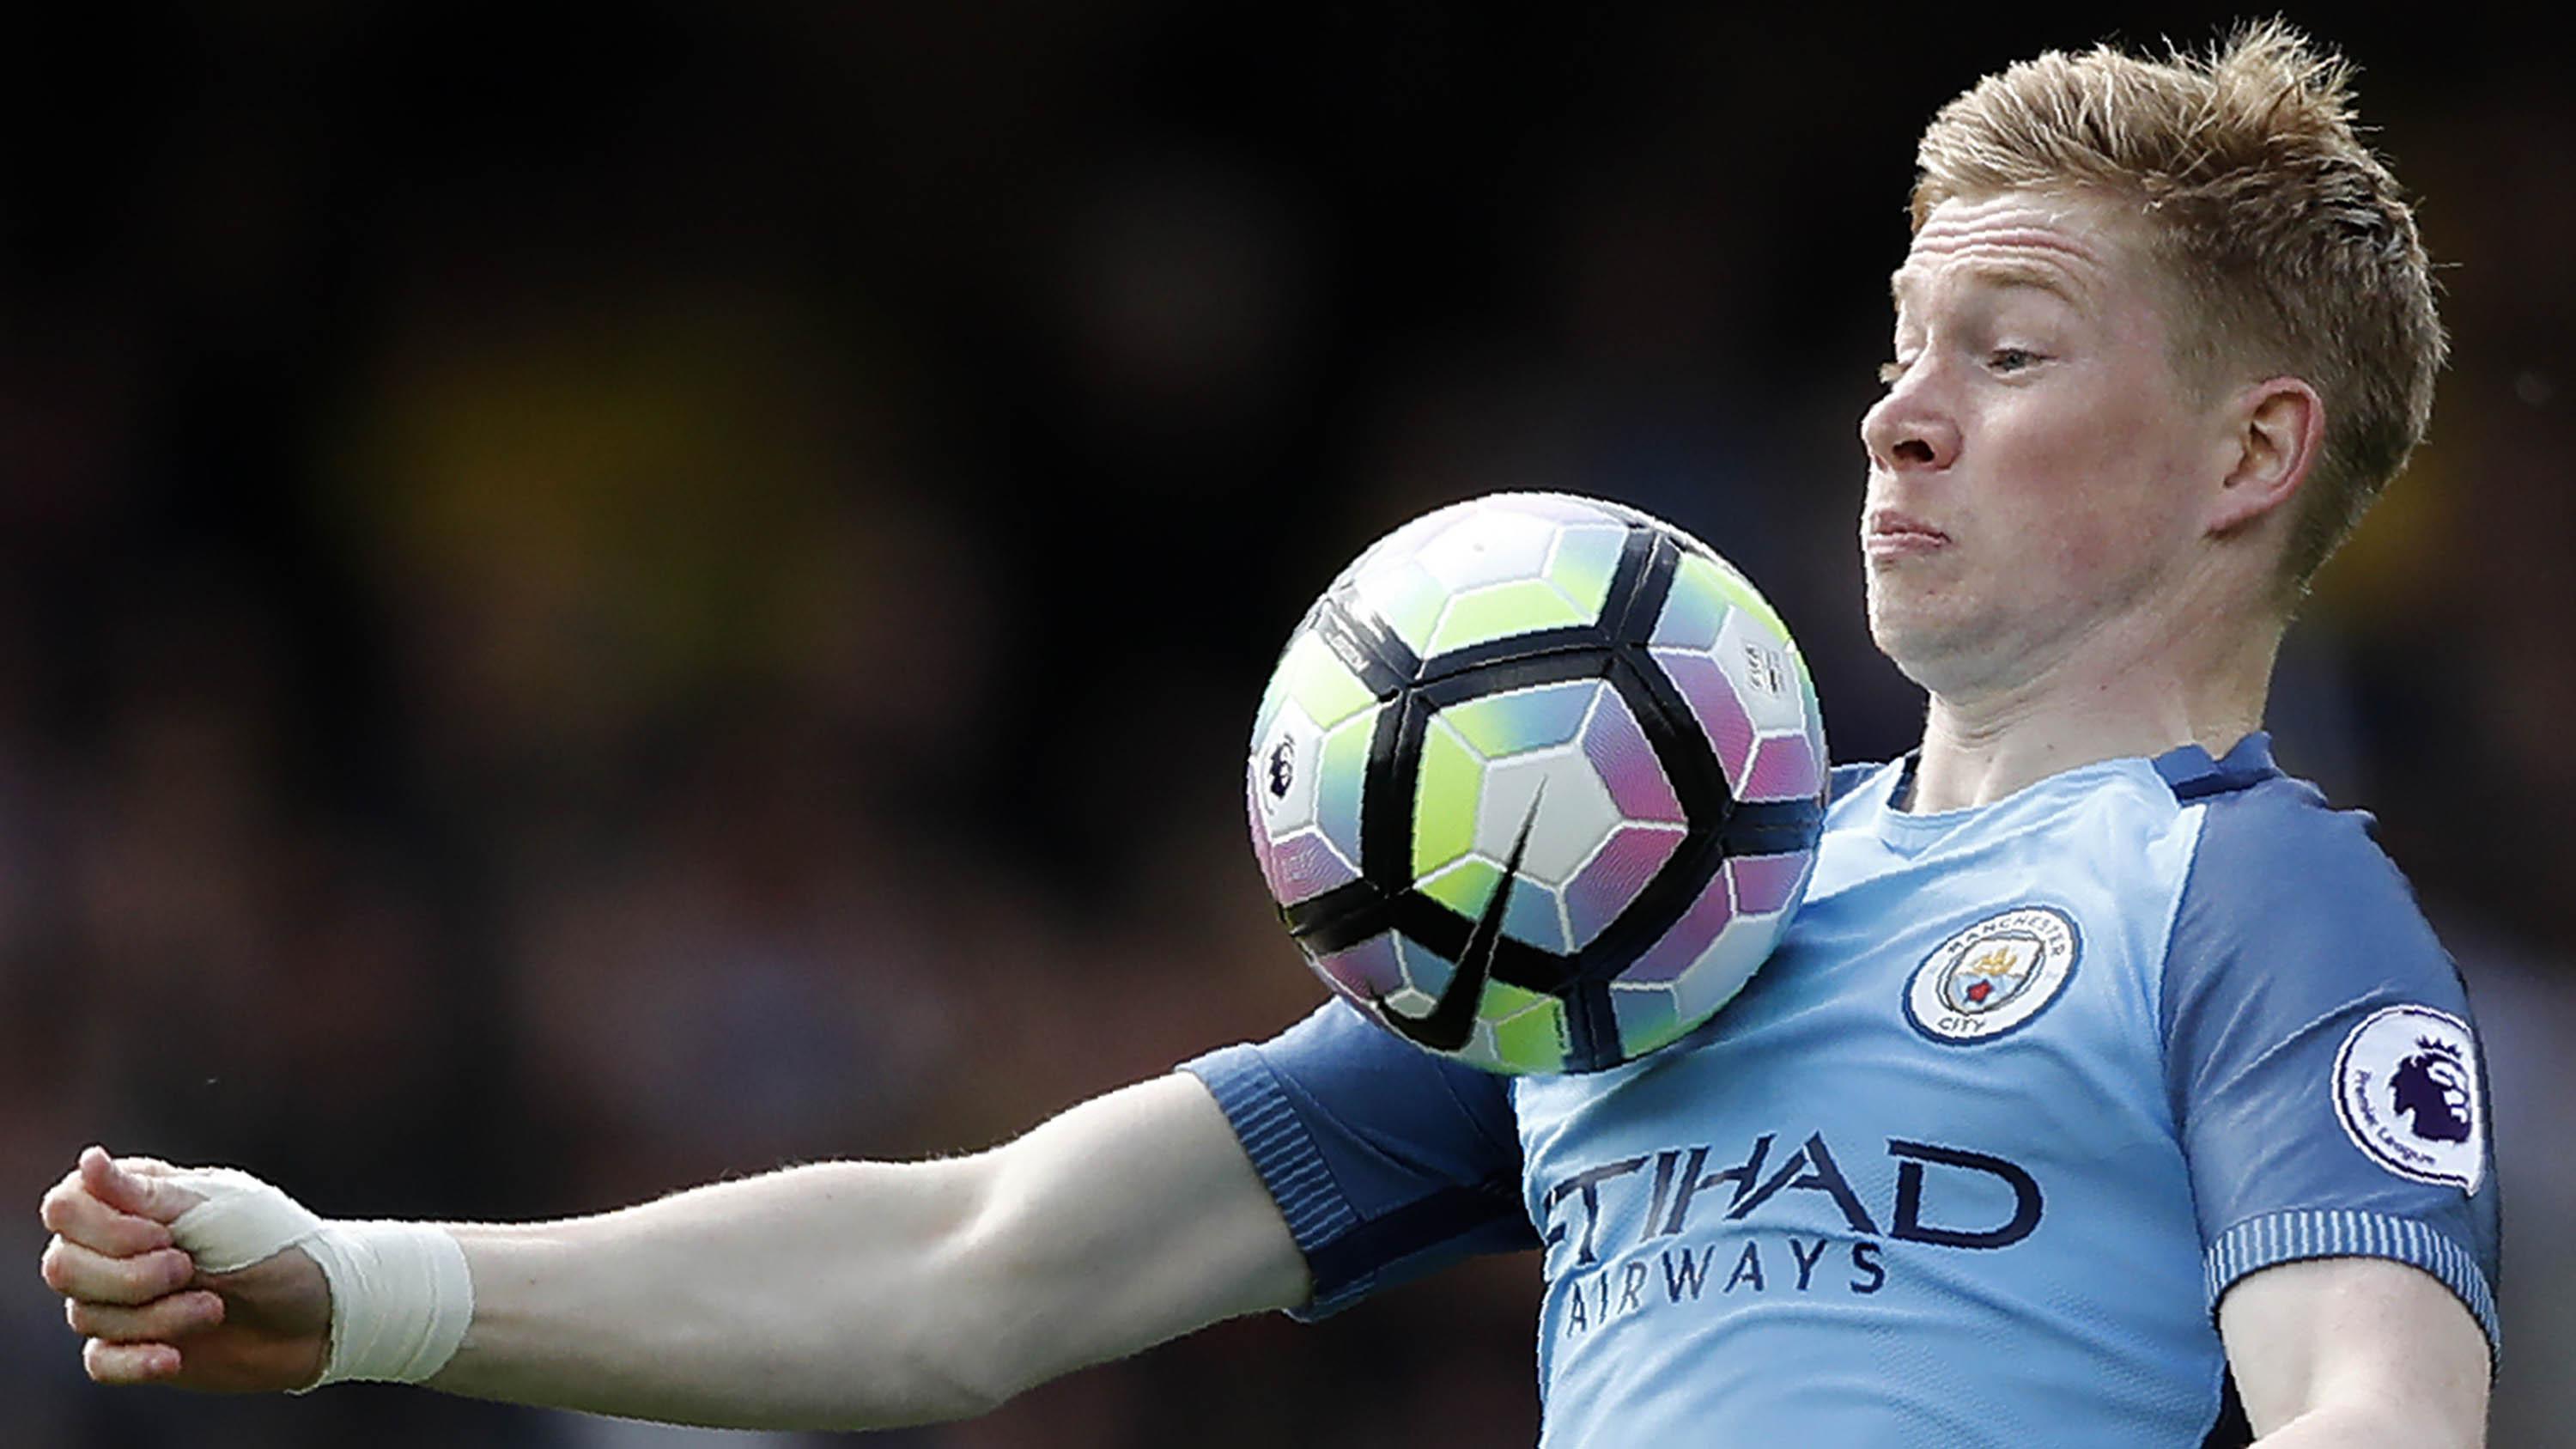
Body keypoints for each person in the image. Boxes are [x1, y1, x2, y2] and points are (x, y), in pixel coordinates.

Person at [37, 21, 2498, 1446]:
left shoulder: (2247, 898)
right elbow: (968, 1263)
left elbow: (2375, 1411)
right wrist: (368, 1284)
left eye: (2011, 350)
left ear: (2251, 457)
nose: (1898, 421)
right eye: (1893, 349)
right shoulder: (1649, 921)